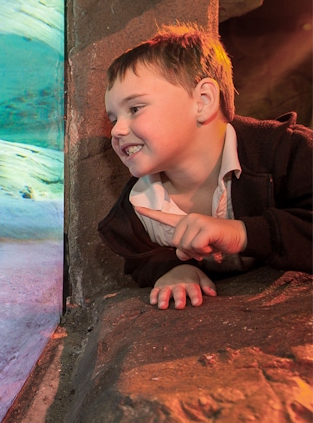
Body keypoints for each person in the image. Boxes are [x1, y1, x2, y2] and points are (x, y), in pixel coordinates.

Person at [97, 23, 313, 310]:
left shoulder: (287, 153)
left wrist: (241, 233)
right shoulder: (135, 210)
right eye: (113, 118)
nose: (116, 131)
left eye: (135, 109)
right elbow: (141, 259)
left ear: (203, 101)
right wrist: (171, 269)